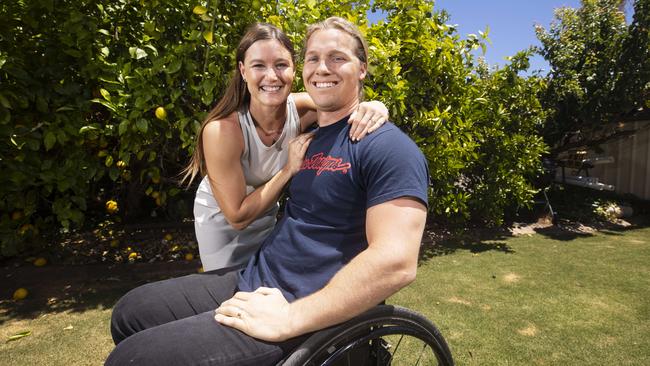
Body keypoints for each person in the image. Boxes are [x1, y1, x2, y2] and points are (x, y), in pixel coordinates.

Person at [106, 17, 429, 366]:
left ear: (362, 69)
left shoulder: (389, 148)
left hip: (297, 307)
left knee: (130, 360)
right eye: (313, 58)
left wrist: (291, 318)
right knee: (130, 312)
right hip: (254, 276)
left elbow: (396, 263)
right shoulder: (312, 135)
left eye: (337, 58)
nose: (323, 68)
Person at [182, 23, 389, 272]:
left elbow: (342, 101)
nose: (272, 76)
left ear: (293, 69)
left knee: (262, 284)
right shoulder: (222, 131)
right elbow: (237, 216)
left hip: (267, 215)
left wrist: (378, 106)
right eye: (259, 65)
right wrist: (289, 169)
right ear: (243, 71)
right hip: (223, 224)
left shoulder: (302, 107)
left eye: (281, 65)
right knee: (225, 295)